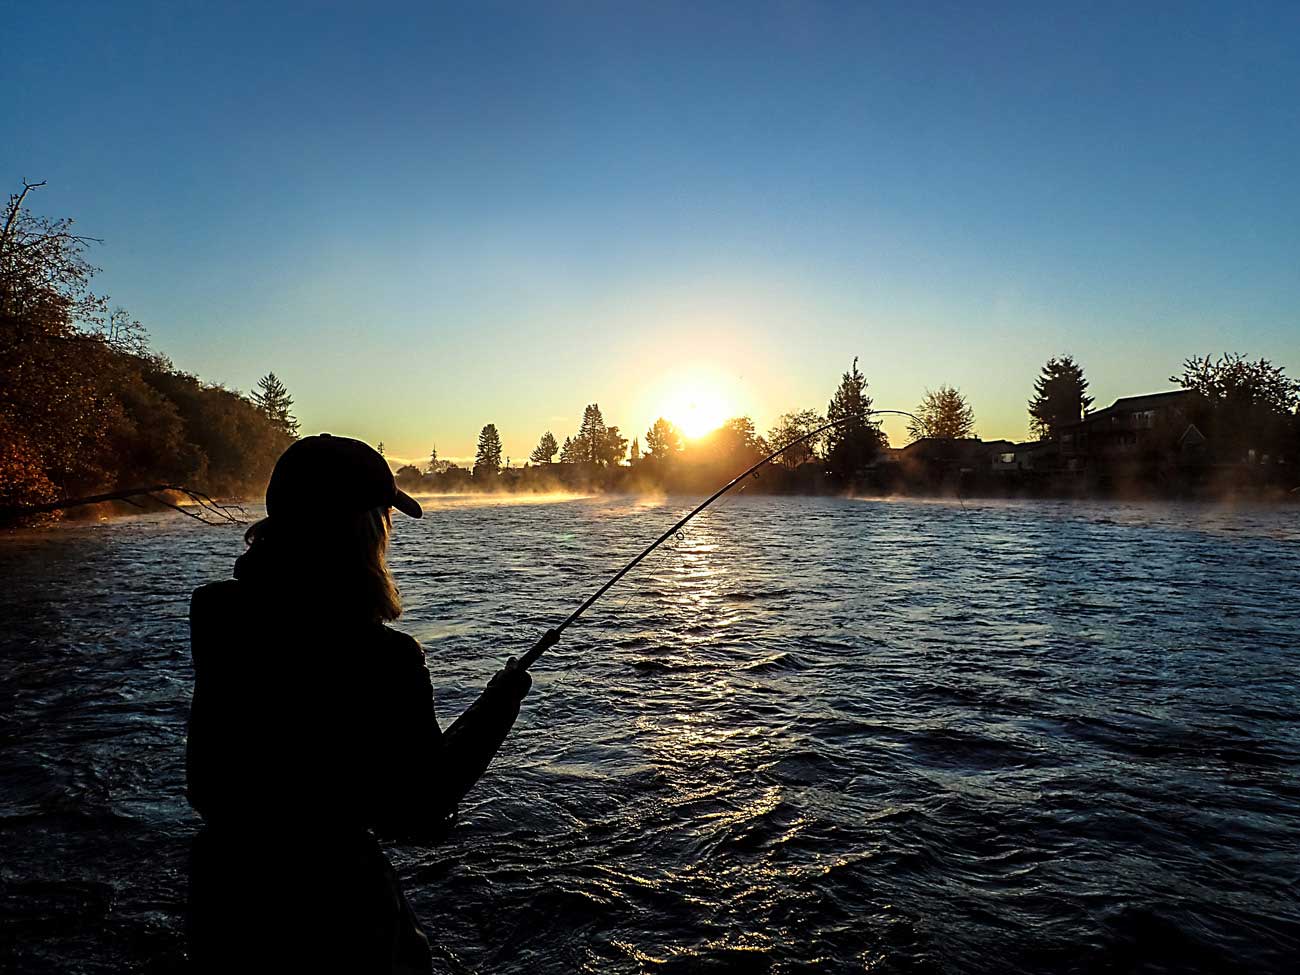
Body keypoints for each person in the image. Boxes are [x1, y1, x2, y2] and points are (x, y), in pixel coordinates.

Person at [184, 434, 554, 973]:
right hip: (336, 907)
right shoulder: (383, 658)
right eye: (382, 517)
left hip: (226, 895)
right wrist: (501, 702)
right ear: (360, 529)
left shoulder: (215, 614)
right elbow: (419, 810)